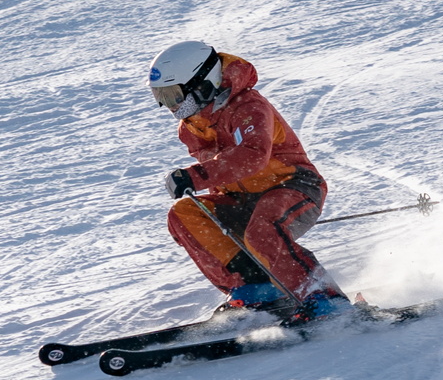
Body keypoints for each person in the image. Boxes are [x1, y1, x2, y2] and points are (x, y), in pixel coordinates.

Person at [148, 41, 351, 322]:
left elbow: (252, 155)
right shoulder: (190, 127)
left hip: (292, 187)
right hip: (244, 200)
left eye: (174, 95)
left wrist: (196, 175)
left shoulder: (248, 107)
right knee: (184, 215)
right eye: (162, 97)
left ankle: (325, 298)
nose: (170, 106)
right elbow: (224, 171)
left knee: (262, 229)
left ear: (203, 82)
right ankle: (256, 286)